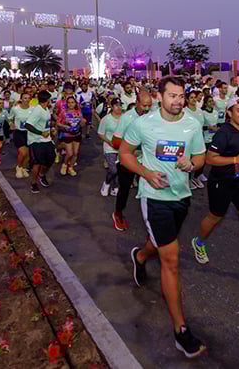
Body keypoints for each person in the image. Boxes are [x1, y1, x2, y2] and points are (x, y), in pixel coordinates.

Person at [120, 76, 207, 358]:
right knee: (171, 259)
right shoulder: (143, 124)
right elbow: (125, 154)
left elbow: (201, 157)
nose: (177, 101)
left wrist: (191, 164)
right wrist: (145, 173)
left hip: (181, 198)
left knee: (159, 245)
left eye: (181, 96)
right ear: (160, 97)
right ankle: (181, 331)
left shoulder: (192, 123)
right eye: (172, 95)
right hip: (153, 199)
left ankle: (141, 256)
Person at [191, 97, 239, 283]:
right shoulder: (223, 133)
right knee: (215, 217)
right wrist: (235, 160)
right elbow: (210, 159)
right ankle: (199, 242)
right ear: (229, 113)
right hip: (221, 182)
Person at [111, 91, 154, 231]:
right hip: (128, 159)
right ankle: (118, 213)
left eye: (149, 105)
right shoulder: (127, 118)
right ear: (137, 102)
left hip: (147, 160)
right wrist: (131, 149)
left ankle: (153, 221)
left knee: (152, 187)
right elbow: (115, 141)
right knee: (124, 189)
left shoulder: (153, 116)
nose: (147, 109)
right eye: (144, 105)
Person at [25, 90, 54, 193]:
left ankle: (42, 175)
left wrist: (51, 129)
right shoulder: (37, 110)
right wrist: (41, 133)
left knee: (51, 159)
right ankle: (33, 183)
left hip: (47, 140)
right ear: (46, 100)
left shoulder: (46, 109)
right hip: (36, 141)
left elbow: (45, 123)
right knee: (37, 163)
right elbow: (27, 125)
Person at [98, 98, 123, 196]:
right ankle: (107, 183)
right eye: (116, 105)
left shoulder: (125, 118)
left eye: (120, 105)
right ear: (112, 107)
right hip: (109, 147)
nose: (119, 107)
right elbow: (100, 133)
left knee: (118, 170)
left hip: (121, 148)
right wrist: (109, 142)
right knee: (113, 169)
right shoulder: (106, 119)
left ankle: (115, 187)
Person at [56, 95, 85, 176]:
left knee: (75, 153)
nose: (71, 104)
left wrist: (83, 122)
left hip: (77, 135)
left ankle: (70, 168)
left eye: (72, 102)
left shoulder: (78, 112)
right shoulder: (63, 112)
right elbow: (58, 123)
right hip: (67, 135)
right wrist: (65, 126)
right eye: (69, 103)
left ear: (75, 103)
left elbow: (81, 123)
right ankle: (64, 165)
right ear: (67, 104)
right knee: (70, 153)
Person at [10, 93, 33, 178]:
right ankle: (18, 167)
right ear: (21, 99)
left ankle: (24, 168)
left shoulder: (33, 109)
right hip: (18, 132)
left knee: (27, 154)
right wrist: (11, 124)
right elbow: (9, 118)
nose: (26, 100)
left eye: (28, 98)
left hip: (29, 133)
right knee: (22, 152)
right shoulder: (15, 109)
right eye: (25, 98)